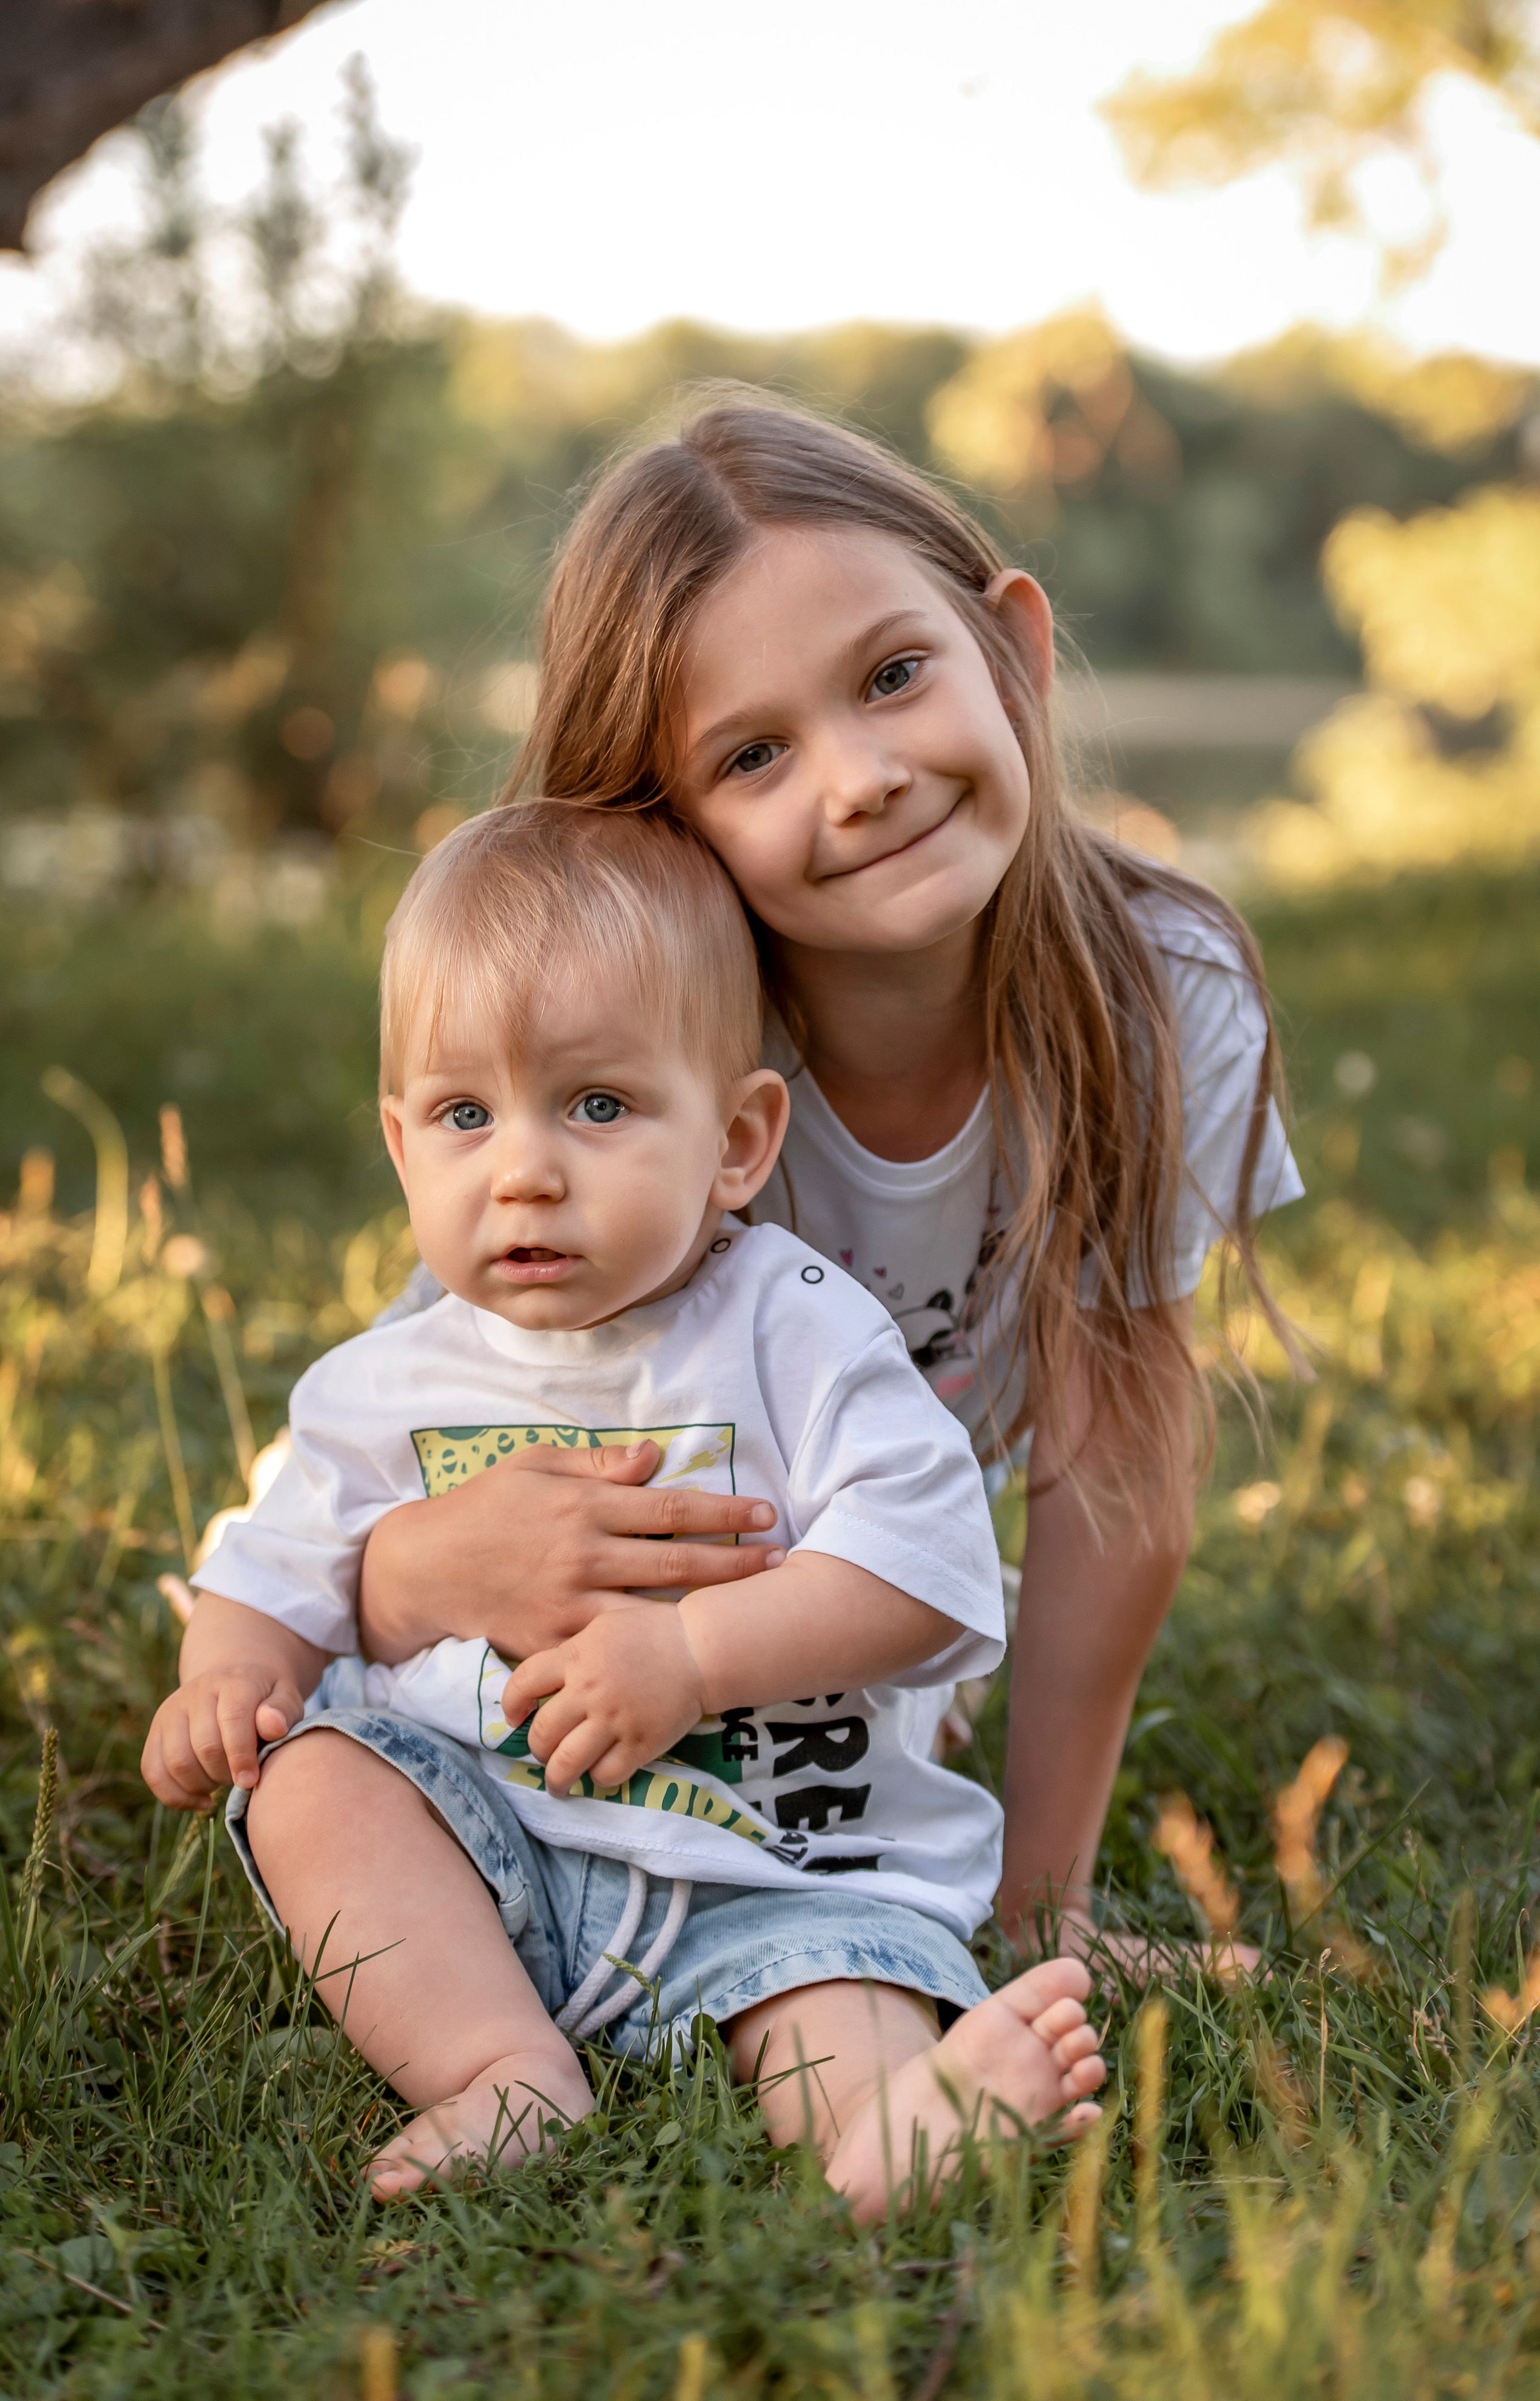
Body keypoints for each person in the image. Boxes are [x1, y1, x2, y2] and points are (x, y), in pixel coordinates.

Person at [356, 396, 1303, 1984]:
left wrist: (1036, 1911)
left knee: (877, 1674)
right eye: (752, 753)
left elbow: (1114, 1473)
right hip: (560, 1595)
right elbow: (405, 1474)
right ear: (661, 826)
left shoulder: (1159, 990)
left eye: (890, 676)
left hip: (828, 1587)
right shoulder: (653, 1079)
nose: (857, 779)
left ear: (1010, 653)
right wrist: (402, 1573)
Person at [141, 800, 1106, 2214]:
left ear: (734, 1139)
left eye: (597, 1105)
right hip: (492, 1857)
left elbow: (935, 1566)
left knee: (831, 1988)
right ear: (404, 1150)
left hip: (782, 1859)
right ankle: (498, 2068)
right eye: (468, 1115)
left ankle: (888, 2130)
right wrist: (224, 1681)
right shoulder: (378, 1387)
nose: (525, 1166)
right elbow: (274, 1573)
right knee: (317, 1782)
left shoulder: (800, 1332)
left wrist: (695, 1658)